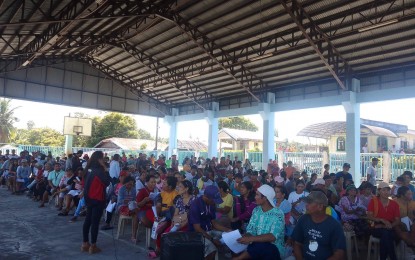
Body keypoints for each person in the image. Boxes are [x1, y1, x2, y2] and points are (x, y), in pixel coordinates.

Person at [235, 185, 285, 260]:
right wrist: (245, 237)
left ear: (265, 198)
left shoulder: (278, 214)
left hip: (273, 249)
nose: (255, 197)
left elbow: (272, 237)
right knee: (237, 242)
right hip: (255, 245)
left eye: (257, 195)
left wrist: (251, 239)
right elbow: (251, 230)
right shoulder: (256, 210)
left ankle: (238, 258)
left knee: (261, 246)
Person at [292, 191, 346, 260]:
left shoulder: (335, 226)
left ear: (320, 206)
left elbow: (339, 253)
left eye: (309, 203)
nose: (306, 205)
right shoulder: (303, 219)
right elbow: (297, 243)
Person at [188, 185, 231, 260]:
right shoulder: (195, 205)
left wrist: (227, 230)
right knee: (212, 250)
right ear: (206, 197)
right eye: (213, 200)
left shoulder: (211, 204)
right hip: (197, 234)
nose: (215, 202)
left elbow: (214, 223)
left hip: (209, 231)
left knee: (229, 237)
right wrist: (212, 239)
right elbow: (197, 228)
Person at [82, 151, 111, 254]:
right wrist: (105, 169)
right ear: (99, 159)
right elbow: (107, 182)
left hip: (88, 198)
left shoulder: (88, 169)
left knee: (88, 221)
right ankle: (93, 246)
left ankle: (85, 243)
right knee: (95, 223)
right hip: (98, 199)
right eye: (102, 158)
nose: (104, 159)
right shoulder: (99, 170)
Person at [367, 182, 400, 260]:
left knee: (386, 235)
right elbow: (369, 216)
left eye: (388, 190)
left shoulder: (394, 204)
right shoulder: (373, 201)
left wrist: (389, 225)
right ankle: (393, 258)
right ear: (379, 191)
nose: (386, 192)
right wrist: (381, 220)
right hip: (376, 226)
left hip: (391, 227)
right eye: (383, 190)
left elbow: (398, 220)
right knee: (386, 234)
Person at [117, 176, 137, 242]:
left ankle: (133, 235)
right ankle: (133, 236)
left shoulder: (134, 189)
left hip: (131, 207)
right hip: (122, 206)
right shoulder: (121, 189)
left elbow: (134, 199)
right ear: (125, 183)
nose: (130, 186)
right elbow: (120, 201)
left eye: (131, 184)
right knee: (135, 213)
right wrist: (128, 201)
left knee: (136, 213)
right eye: (128, 184)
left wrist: (131, 202)